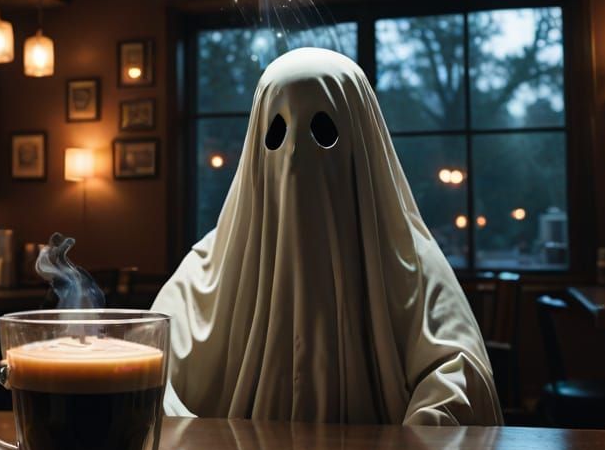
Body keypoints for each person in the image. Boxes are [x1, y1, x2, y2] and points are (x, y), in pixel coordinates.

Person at [153, 47, 502, 425]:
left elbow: (459, 379)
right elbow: (153, 369)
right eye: (277, 133)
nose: (296, 154)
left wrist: (414, 449)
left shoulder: (411, 263)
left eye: (324, 132)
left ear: (361, 143)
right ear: (256, 147)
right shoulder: (205, 268)